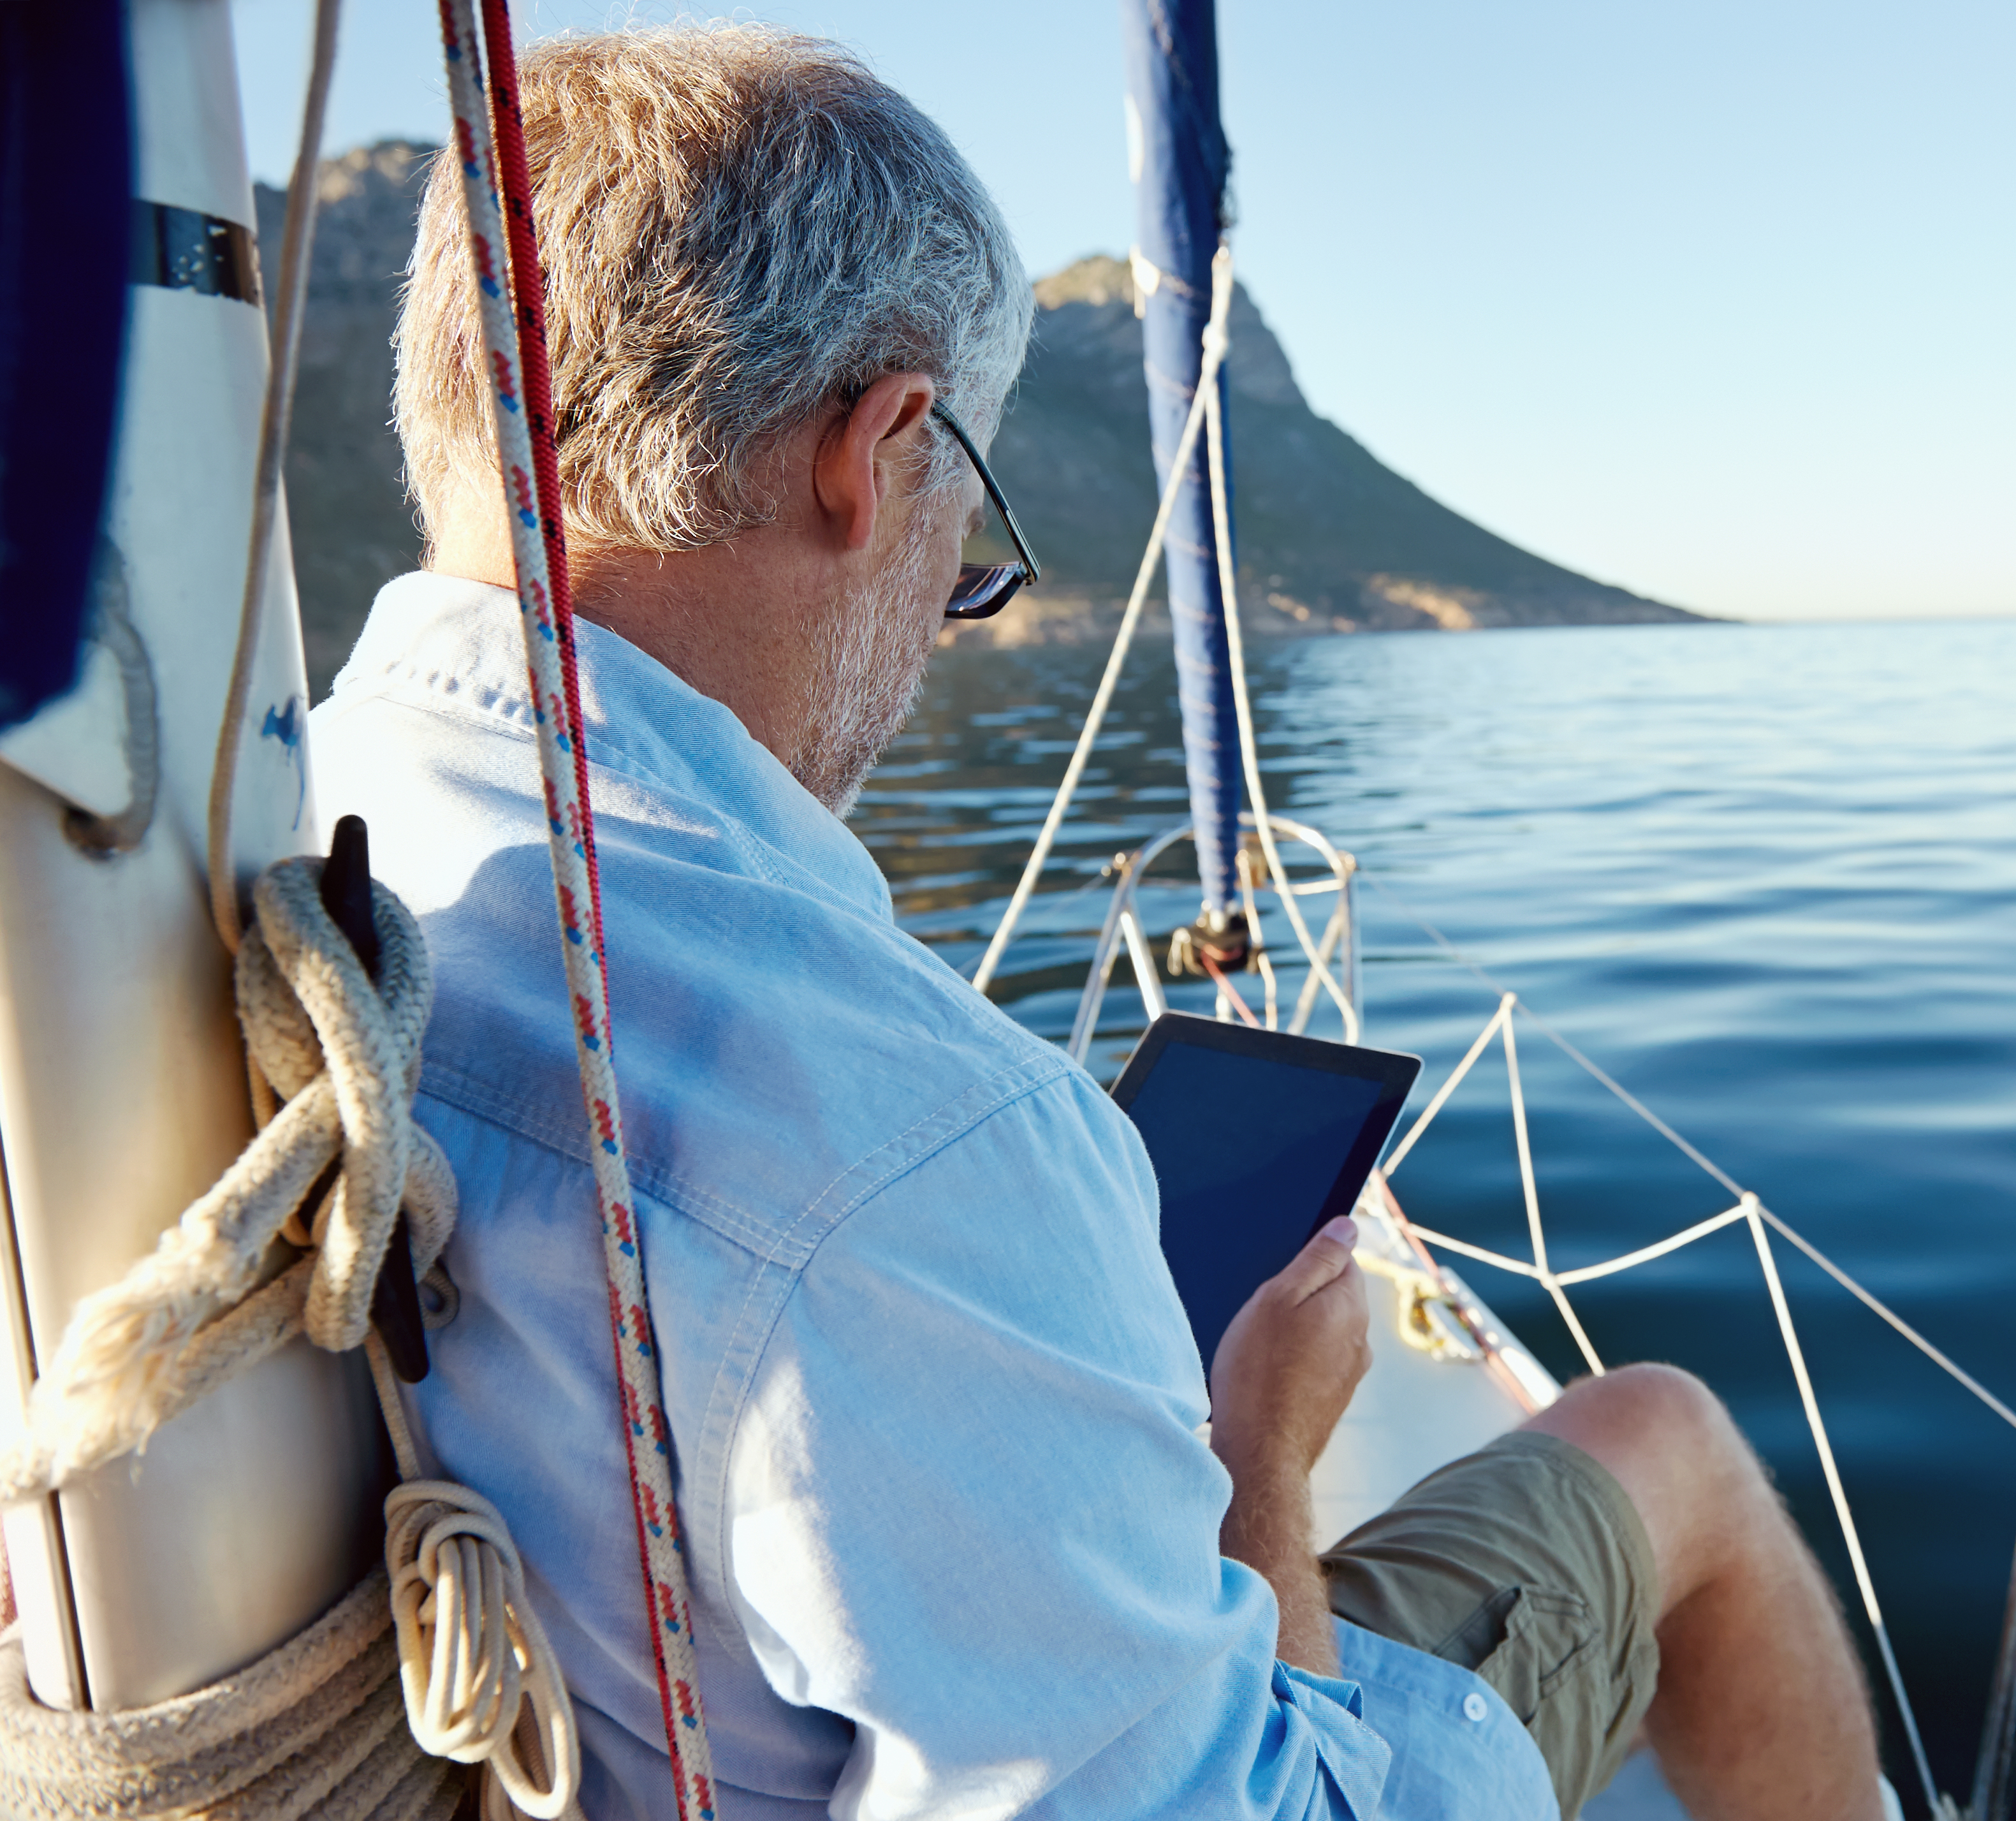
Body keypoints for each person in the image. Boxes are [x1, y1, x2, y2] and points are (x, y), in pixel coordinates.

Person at [317, 24, 1888, 1821]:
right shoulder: (916, 1159)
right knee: (1663, 1436)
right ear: (881, 447)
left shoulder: (251, 857)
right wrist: (1255, 1473)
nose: (942, 618)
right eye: (968, 551)